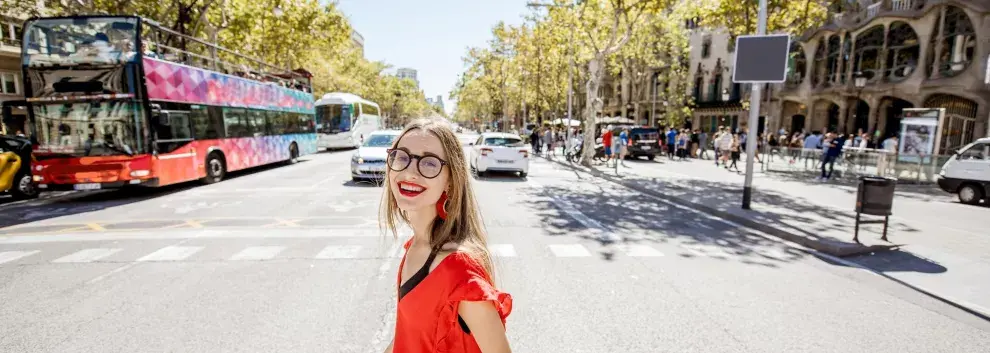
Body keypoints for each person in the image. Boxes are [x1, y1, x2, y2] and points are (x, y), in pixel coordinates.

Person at [380, 118, 512, 353]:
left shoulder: (458, 269)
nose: (409, 172)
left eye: (429, 163)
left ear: (451, 181)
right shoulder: (415, 246)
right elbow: (409, 335)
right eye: (401, 157)